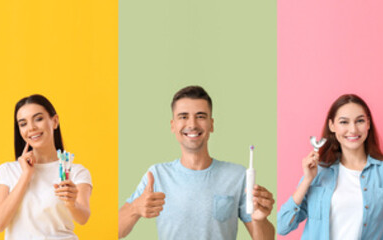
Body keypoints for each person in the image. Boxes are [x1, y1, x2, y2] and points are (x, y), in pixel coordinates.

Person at [117, 85, 275, 240]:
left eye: (200, 116)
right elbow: (116, 230)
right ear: (173, 125)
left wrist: (259, 219)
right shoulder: (157, 175)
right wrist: (135, 208)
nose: (192, 124)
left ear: (211, 124)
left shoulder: (237, 176)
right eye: (183, 116)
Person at [276, 94, 383, 239]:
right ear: (332, 126)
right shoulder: (319, 170)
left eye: (359, 121)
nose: (353, 129)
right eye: (344, 122)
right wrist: (307, 180)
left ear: (368, 124)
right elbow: (282, 226)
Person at [0, 94, 93, 239]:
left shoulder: (74, 171)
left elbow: (83, 218)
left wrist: (71, 203)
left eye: (38, 119)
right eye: (23, 123)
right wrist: (25, 176)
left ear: (54, 121)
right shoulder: (7, 170)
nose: (31, 128)